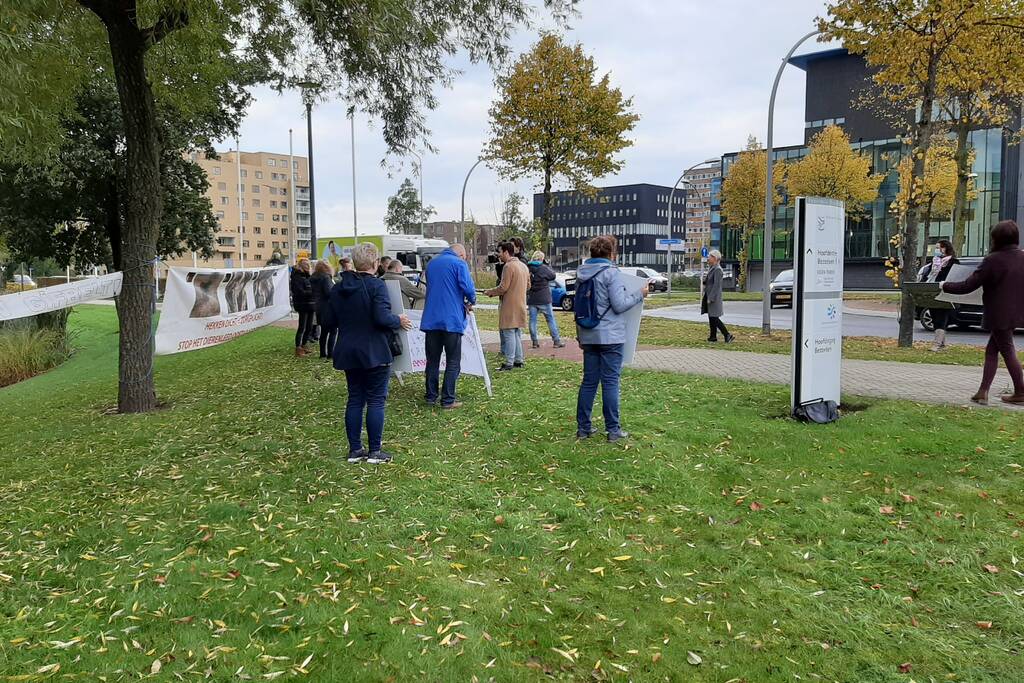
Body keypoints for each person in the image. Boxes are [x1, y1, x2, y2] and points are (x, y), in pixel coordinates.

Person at [325, 242, 413, 463]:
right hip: (374, 349)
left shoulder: (338, 288)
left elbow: (329, 320)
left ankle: (355, 450)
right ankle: (375, 451)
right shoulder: (376, 286)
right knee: (375, 400)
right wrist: (398, 320)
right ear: (375, 264)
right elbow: (381, 318)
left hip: (348, 349)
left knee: (355, 399)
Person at [941, 220, 1024, 405]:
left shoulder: (993, 260)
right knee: (992, 351)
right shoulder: (1022, 257)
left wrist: (944, 285)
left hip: (998, 313)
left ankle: (1020, 391)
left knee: (1008, 350)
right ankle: (982, 392)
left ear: (996, 239)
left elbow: (968, 286)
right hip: (1016, 311)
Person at [574, 235, 648, 442]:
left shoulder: (581, 274)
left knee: (589, 382)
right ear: (611, 254)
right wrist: (640, 294)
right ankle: (613, 430)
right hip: (611, 336)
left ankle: (583, 428)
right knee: (610, 382)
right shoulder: (611, 273)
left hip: (588, 334)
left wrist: (580, 335)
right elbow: (619, 304)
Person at [420, 244, 477, 408]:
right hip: (451, 320)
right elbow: (468, 288)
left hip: (431, 319)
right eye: (464, 257)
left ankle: (430, 396)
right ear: (460, 254)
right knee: (453, 361)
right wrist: (471, 300)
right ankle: (448, 399)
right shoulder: (459, 264)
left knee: (432, 361)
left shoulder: (431, 264)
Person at [485, 241, 529, 370]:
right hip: (521, 303)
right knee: (516, 333)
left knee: (509, 332)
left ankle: (509, 362)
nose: (498, 255)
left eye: (499, 252)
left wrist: (490, 292)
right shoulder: (523, 266)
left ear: (505, 252)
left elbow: (503, 287)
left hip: (510, 305)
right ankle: (519, 360)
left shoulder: (508, 267)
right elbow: (528, 285)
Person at [924, 239, 959, 352]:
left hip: (945, 292)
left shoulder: (953, 262)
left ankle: (937, 343)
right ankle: (942, 345)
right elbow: (927, 275)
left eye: (940, 247)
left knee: (941, 317)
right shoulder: (933, 262)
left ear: (946, 248)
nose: (937, 250)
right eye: (936, 248)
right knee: (935, 317)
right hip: (932, 291)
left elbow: (953, 277)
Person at [527, 250, 564, 349]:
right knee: (550, 319)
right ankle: (556, 341)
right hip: (544, 298)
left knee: (532, 321)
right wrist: (547, 265)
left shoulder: (528, 268)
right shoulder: (543, 268)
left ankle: (534, 342)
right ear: (542, 259)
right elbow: (553, 275)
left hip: (532, 298)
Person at [703, 250, 734, 343]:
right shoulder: (712, 268)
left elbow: (716, 285)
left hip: (714, 297)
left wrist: (711, 297)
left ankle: (727, 334)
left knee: (714, 317)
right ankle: (713, 336)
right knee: (711, 316)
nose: (708, 258)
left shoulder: (717, 269)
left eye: (710, 257)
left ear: (715, 258)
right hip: (709, 294)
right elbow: (710, 282)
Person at [311, 260, 337, 358]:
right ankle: (331, 354)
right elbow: (329, 293)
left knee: (324, 331)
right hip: (328, 307)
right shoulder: (326, 278)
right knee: (333, 331)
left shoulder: (313, 278)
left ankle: (322, 353)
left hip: (318, 307)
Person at [290, 258, 316, 356]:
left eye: (308, 264)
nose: (307, 266)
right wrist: (312, 292)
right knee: (302, 326)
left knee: (309, 327)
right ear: (300, 265)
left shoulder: (308, 276)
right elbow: (299, 292)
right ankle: (298, 347)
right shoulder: (296, 277)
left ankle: (304, 345)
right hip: (302, 304)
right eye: (305, 264)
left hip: (310, 303)